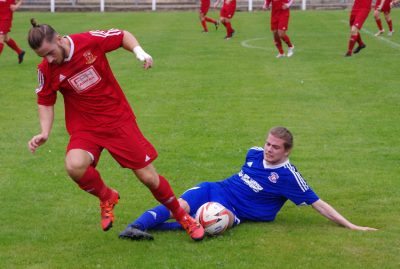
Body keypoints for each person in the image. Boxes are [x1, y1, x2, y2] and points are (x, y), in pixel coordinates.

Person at [27, 19, 204, 241]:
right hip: (86, 128)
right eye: (43, 56)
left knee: (148, 177)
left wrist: (139, 52)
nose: (49, 59)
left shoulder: (89, 41)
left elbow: (121, 35)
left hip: (117, 121)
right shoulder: (46, 69)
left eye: (50, 52)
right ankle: (107, 196)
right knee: (74, 166)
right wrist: (44, 132)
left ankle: (182, 215)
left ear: (59, 39)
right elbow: (44, 100)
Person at [119, 126, 377, 241]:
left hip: (238, 211)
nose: (268, 149)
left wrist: (351, 226)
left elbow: (318, 204)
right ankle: (136, 227)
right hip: (217, 188)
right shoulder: (254, 153)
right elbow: (253, 157)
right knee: (181, 204)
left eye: (275, 147)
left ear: (287, 151)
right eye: (268, 143)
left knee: (210, 221)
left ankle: (160, 230)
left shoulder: (288, 176)